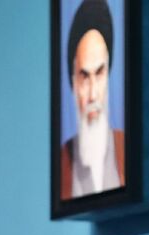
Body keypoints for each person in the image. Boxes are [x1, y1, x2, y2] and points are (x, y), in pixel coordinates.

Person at [59, 0, 124, 199]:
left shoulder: (127, 150)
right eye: (84, 76)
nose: (93, 95)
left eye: (100, 73)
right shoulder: (61, 163)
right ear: (73, 82)